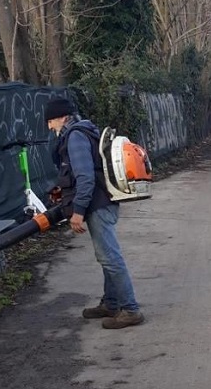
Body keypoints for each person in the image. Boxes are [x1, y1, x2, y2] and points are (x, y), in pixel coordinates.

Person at [45, 97, 143, 329]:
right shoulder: (85, 131)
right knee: (107, 256)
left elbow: (86, 177)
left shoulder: (75, 136)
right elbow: (79, 174)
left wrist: (77, 211)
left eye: (50, 121)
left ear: (62, 117)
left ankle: (130, 309)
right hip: (102, 201)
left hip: (97, 205)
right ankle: (110, 303)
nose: (49, 127)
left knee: (110, 257)